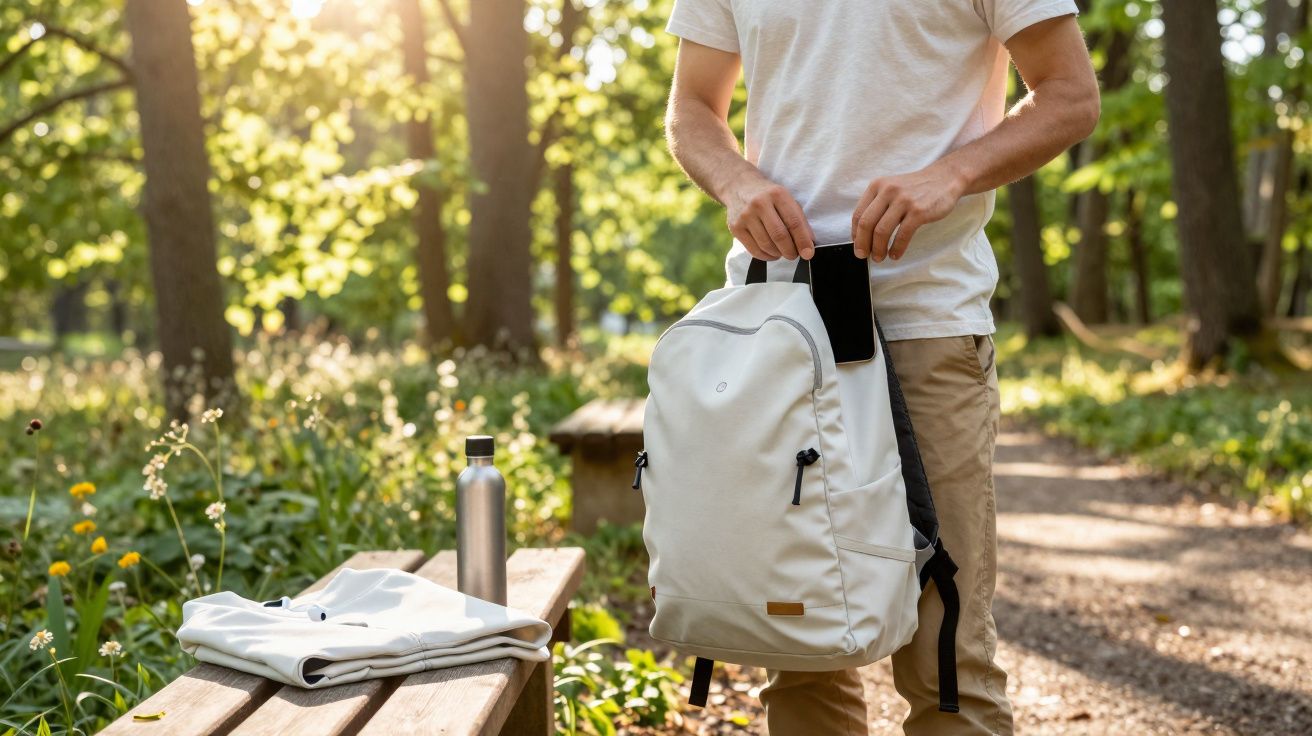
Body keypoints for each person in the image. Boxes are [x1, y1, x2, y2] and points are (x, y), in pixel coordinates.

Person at [662, 1, 1099, 733]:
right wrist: (735, 182)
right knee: (797, 637)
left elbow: (1070, 95)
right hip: (781, 320)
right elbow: (692, 109)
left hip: (928, 315)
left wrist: (951, 175)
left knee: (944, 651)